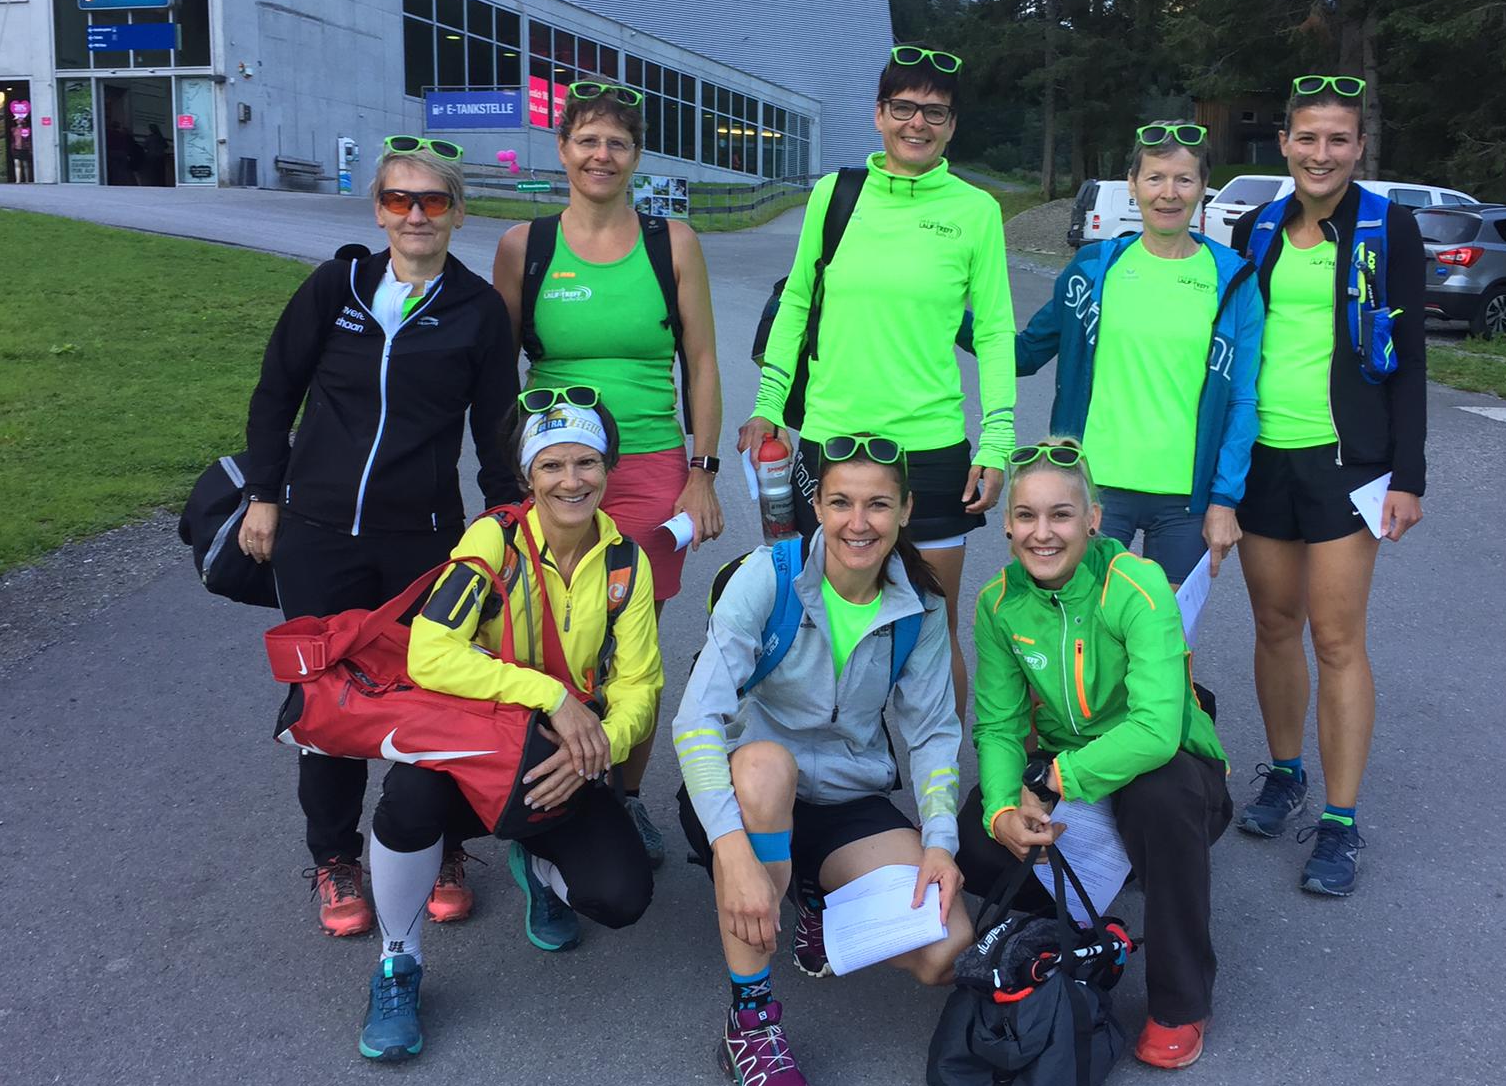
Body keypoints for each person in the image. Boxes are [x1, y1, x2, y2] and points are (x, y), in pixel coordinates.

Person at [240, 135, 519, 936]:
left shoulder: (476, 309)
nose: (416, 215)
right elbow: (274, 393)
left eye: (433, 201)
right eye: (400, 200)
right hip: (317, 532)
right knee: (323, 704)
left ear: (458, 213)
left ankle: (442, 844)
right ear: (379, 210)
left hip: (420, 541)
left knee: (434, 698)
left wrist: (505, 528)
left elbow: (497, 428)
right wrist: (266, 494)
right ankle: (335, 858)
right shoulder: (338, 286)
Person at [671, 434, 970, 1086]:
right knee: (768, 766)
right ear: (817, 505)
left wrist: (940, 842)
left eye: (876, 505)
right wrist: (734, 852)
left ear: (905, 512)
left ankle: (811, 893)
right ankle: (751, 1022)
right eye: (840, 502)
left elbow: (931, 735)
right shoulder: (768, 578)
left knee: (943, 948)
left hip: (843, 794)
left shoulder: (918, 608)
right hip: (745, 788)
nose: (857, 522)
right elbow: (695, 720)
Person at [356, 396, 662, 1061]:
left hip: (564, 758)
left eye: (586, 462)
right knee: (409, 800)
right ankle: (398, 964)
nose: (571, 480)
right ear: (528, 476)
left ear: (608, 467)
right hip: (476, 747)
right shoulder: (493, 541)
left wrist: (602, 745)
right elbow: (429, 652)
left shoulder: (625, 564)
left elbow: (641, 684)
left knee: (622, 898)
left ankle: (537, 857)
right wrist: (550, 694)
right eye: (552, 465)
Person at [740, 45, 1016, 720]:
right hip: (832, 441)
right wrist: (769, 405)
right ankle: (830, 780)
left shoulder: (976, 211)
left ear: (952, 126)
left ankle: (942, 799)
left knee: (929, 628)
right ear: (878, 115)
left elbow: (996, 332)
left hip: (931, 447)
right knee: (826, 623)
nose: (916, 124)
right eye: (903, 108)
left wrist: (998, 438)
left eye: (934, 113)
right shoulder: (835, 196)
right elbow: (799, 301)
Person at [493, 80, 724, 866]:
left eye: (617, 144)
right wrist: (503, 482)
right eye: (587, 140)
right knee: (534, 639)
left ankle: (621, 800)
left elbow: (699, 360)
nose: (601, 155)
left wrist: (702, 470)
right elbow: (495, 369)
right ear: (562, 150)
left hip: (652, 464)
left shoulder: (672, 243)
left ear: (636, 158)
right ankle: (535, 799)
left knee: (634, 651)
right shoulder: (525, 246)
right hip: (552, 463)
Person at [956, 440, 1233, 1070]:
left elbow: (1157, 729)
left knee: (1158, 797)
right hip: (1068, 768)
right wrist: (1003, 809)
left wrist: (1059, 776)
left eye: (1060, 515)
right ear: (1006, 524)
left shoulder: (1136, 586)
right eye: (1026, 516)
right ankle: (1090, 904)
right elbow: (998, 726)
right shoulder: (997, 604)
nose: (1042, 533)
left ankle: (1180, 1001)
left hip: (1165, 767)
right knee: (976, 838)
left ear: (1094, 520)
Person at [1229, 75, 1427, 897]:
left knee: (1337, 637)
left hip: (1348, 462)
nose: (1321, 153)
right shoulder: (1254, 227)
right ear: (1283, 143)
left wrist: (1409, 477)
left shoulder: (1389, 227)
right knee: (1275, 624)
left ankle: (1340, 821)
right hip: (1263, 456)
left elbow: (1411, 360)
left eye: (1337, 139)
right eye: (1306, 137)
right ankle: (1285, 772)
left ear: (1358, 148)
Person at [1013, 120, 1263, 586]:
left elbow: (1242, 400)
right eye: (1155, 178)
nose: (1169, 193)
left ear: (1203, 187)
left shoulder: (1234, 280)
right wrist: (943, 318)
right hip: (1093, 490)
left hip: (1185, 501)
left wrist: (1225, 499)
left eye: (1184, 179)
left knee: (1164, 648)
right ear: (1132, 184)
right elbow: (1025, 354)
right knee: (1086, 644)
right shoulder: (1093, 269)